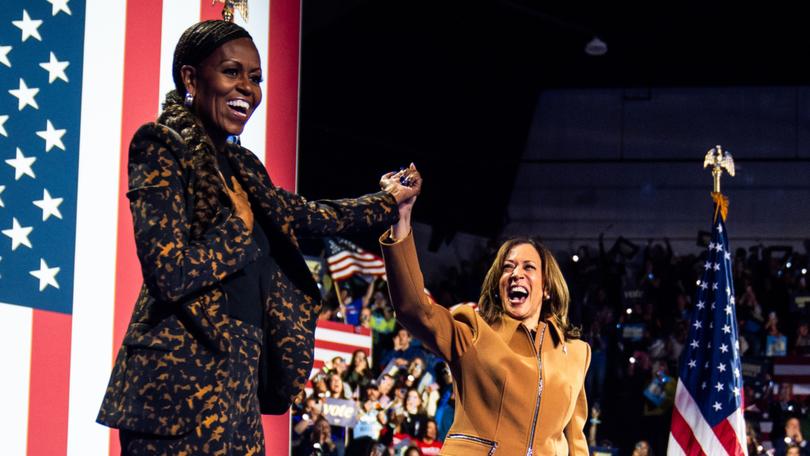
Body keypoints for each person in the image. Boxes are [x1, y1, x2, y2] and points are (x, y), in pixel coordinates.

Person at [95, 20, 416, 454]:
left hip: (240, 383)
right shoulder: (160, 145)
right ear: (191, 78)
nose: (247, 87)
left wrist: (386, 200)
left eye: (255, 78)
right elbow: (168, 272)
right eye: (232, 72)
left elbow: (308, 215)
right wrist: (236, 230)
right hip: (174, 392)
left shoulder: (244, 168)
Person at [379, 164, 591, 454]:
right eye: (508, 268)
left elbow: (575, 441)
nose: (516, 273)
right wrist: (401, 217)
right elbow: (413, 309)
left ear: (547, 288)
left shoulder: (576, 354)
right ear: (498, 285)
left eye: (528, 267)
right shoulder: (472, 331)